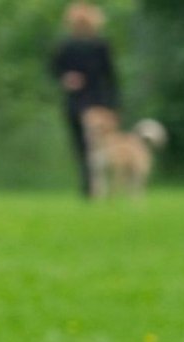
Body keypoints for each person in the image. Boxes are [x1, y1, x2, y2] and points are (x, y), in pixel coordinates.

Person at [51, 1, 119, 198]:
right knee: (85, 148)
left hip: (94, 102)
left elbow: (110, 76)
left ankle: (96, 189)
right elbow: (54, 69)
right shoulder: (67, 46)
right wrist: (66, 78)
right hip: (82, 102)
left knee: (95, 148)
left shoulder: (98, 46)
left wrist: (113, 105)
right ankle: (92, 188)